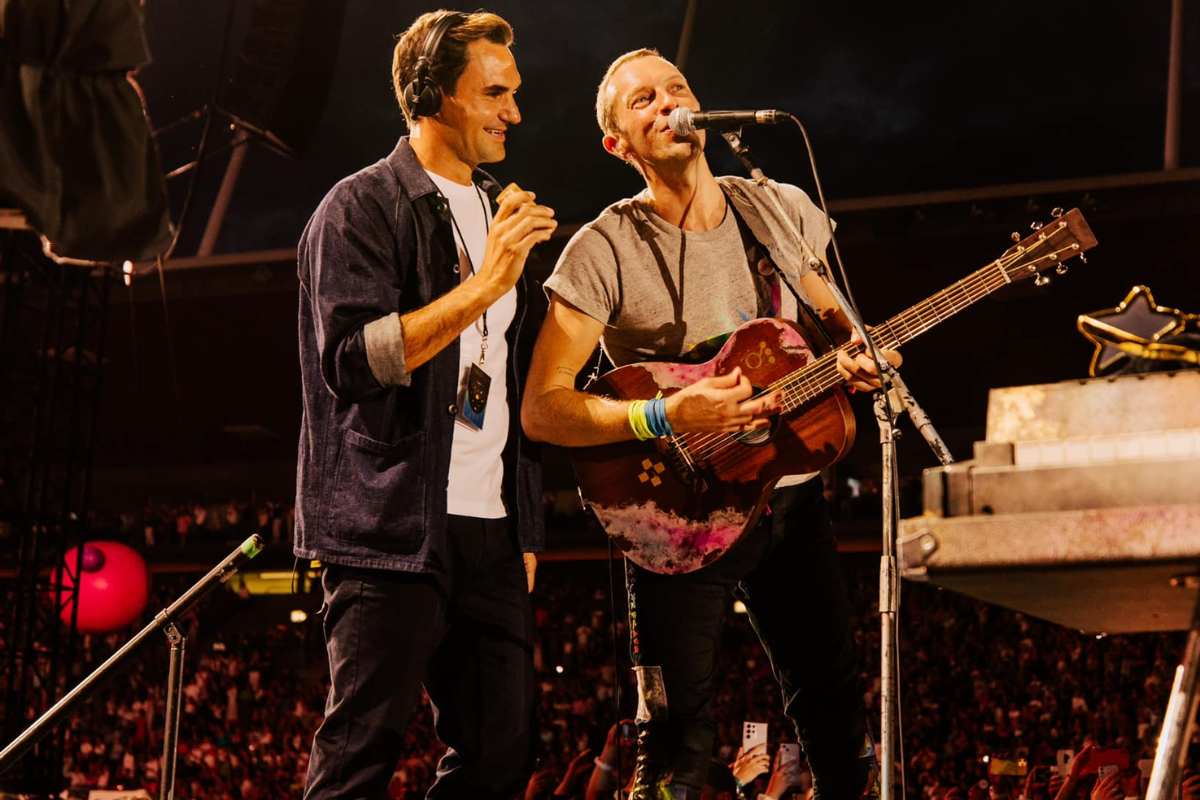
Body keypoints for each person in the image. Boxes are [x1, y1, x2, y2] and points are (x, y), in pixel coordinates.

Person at [521, 48, 900, 800]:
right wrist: (668, 411)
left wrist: (854, 356)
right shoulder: (603, 249)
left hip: (785, 499)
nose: (668, 104)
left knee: (832, 708)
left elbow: (833, 322)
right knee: (675, 741)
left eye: (678, 89)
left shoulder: (773, 207)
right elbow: (543, 408)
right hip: (675, 514)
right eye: (643, 101)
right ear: (617, 145)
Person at [294, 9, 557, 799]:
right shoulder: (359, 206)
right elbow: (349, 360)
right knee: (359, 755)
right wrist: (482, 285)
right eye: (495, 93)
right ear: (434, 93)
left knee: (503, 753)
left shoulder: (500, 207)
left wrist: (527, 527)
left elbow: (512, 377)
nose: (514, 112)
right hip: (389, 529)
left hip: (492, 530)